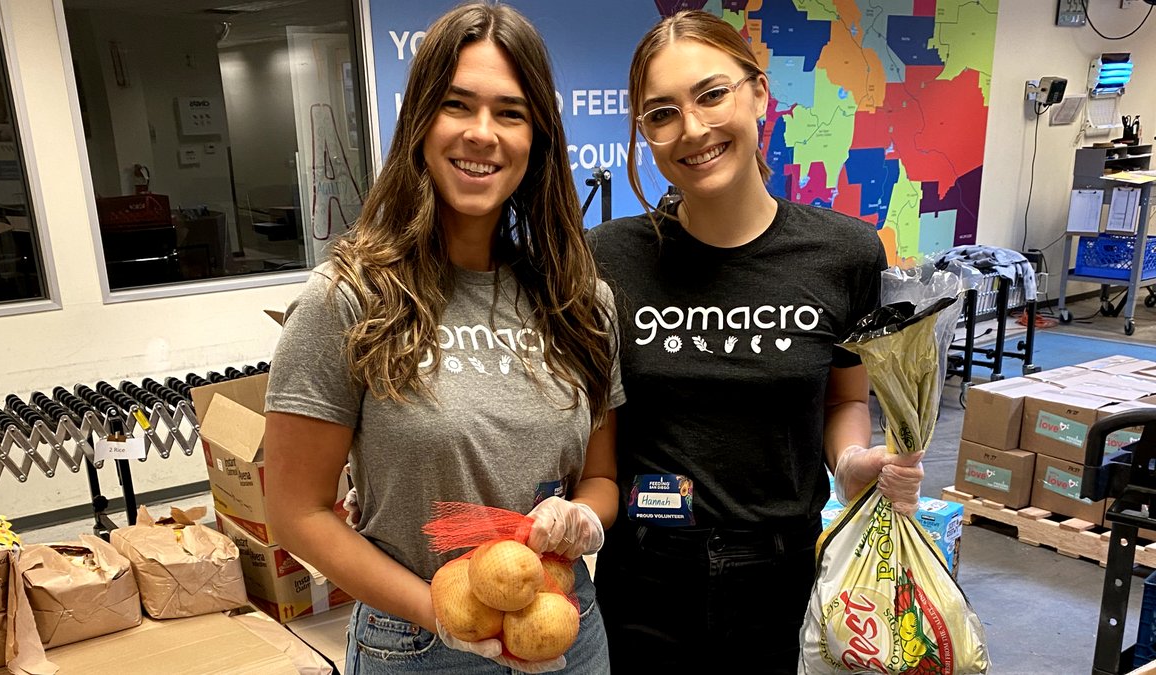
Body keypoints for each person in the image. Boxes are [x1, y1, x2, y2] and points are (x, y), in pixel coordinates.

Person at [262, 3, 624, 673]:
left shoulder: (581, 303)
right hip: (418, 641)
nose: (482, 134)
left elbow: (600, 475)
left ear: (537, 137)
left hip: (564, 630)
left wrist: (584, 519)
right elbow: (296, 510)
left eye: (511, 113)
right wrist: (439, 609)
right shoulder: (349, 299)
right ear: (421, 122)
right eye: (458, 105)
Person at [587, 10, 923, 671]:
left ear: (759, 93)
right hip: (645, 582)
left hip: (785, 580)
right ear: (645, 133)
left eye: (713, 94)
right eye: (661, 114)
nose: (693, 129)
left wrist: (851, 462)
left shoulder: (844, 252)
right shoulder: (607, 259)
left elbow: (841, 400)